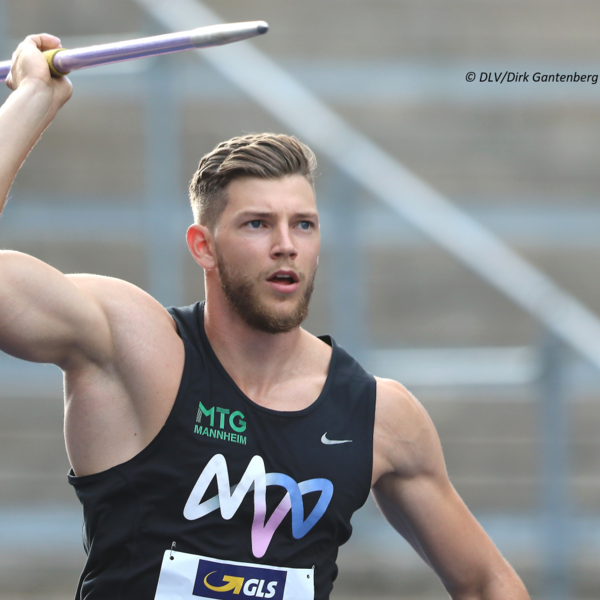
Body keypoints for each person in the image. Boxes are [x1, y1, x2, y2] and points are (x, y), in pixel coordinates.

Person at [0, 35, 530, 600]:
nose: (286, 245)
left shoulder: (380, 416)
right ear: (203, 246)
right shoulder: (134, 348)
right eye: (257, 224)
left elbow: (488, 582)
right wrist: (32, 97)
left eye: (303, 224)